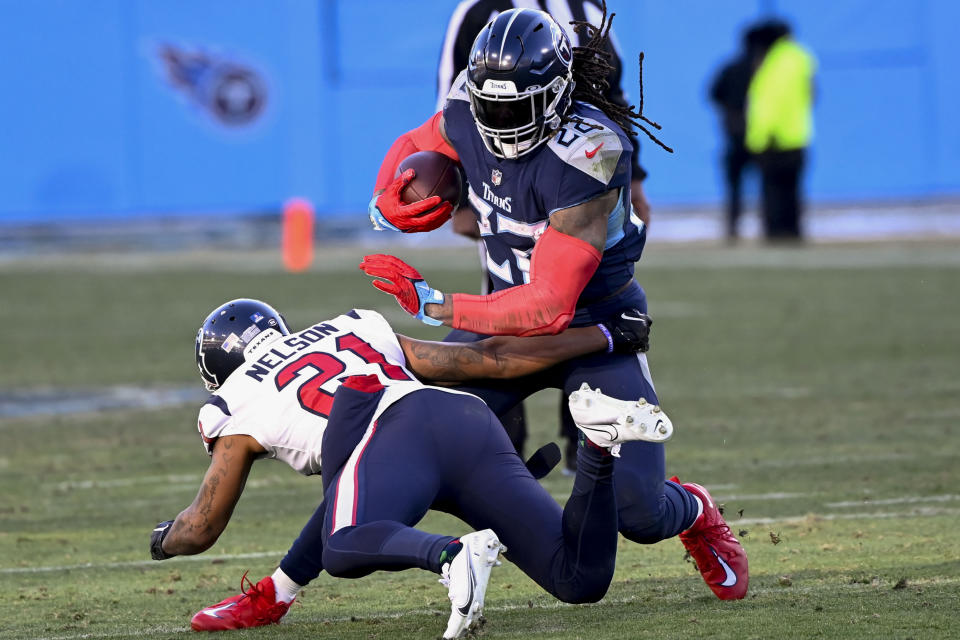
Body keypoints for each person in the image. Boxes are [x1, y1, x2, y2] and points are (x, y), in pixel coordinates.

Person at [364, 6, 747, 603]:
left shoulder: (591, 151)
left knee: (638, 513)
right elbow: (415, 142)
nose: (499, 122)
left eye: (515, 108)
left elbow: (547, 306)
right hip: (499, 325)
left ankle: (692, 510)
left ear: (557, 95)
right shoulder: (470, 104)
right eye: (491, 107)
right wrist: (389, 192)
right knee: (407, 435)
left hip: (594, 332)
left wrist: (434, 304)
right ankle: (286, 585)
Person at [150, 297, 657, 637]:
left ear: (217, 373)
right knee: (578, 578)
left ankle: (451, 557)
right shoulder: (350, 327)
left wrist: (162, 538)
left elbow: (202, 527)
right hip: (462, 420)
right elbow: (485, 361)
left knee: (345, 547)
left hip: (388, 438)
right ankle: (595, 448)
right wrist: (602, 337)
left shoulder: (235, 401)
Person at [436, 0, 653, 464]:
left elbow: (611, 93)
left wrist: (433, 306)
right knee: (504, 305)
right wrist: (450, 194)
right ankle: (498, 454)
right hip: (503, 202)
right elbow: (450, 112)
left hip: (567, 184)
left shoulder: (584, 8)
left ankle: (585, 442)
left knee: (561, 300)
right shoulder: (477, 14)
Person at [744, 20, 816, 241]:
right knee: (793, 191)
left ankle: (777, 233)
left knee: (773, 192)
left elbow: (771, 101)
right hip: (797, 134)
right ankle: (793, 231)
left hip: (775, 138)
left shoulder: (775, 62)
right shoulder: (801, 57)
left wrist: (765, 134)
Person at [709, 28, 757, 242]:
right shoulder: (760, 70)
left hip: (734, 132)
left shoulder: (730, 68)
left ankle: (733, 225)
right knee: (767, 184)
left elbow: (713, 93)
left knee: (734, 185)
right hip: (759, 135)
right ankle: (769, 224)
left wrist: (730, 112)